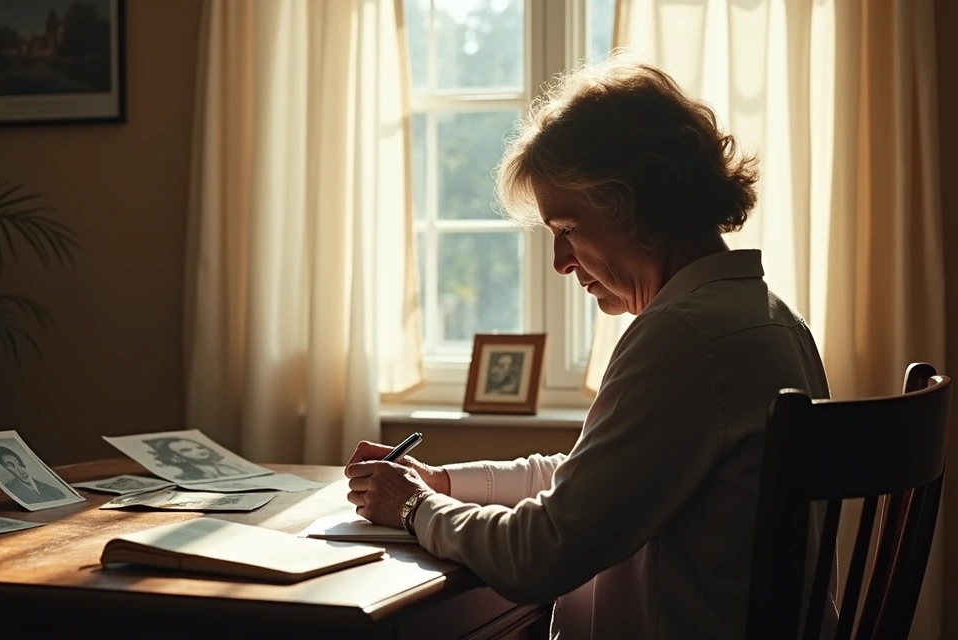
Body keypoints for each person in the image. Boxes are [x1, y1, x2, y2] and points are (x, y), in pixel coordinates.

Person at [344, 54, 830, 640]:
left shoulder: (685, 339)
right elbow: (591, 483)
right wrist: (444, 483)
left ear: (639, 202)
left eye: (568, 230)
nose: (560, 263)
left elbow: (541, 555)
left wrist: (413, 508)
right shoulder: (770, 319)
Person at [143, 437, 248, 481]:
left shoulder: (230, 467)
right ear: (175, 456)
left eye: (200, 447)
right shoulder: (185, 476)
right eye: (186, 450)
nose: (198, 451)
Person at [0, 445, 68, 503]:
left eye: (18, 463)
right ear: (6, 469)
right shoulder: (9, 491)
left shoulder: (52, 489)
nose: (21, 471)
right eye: (11, 465)